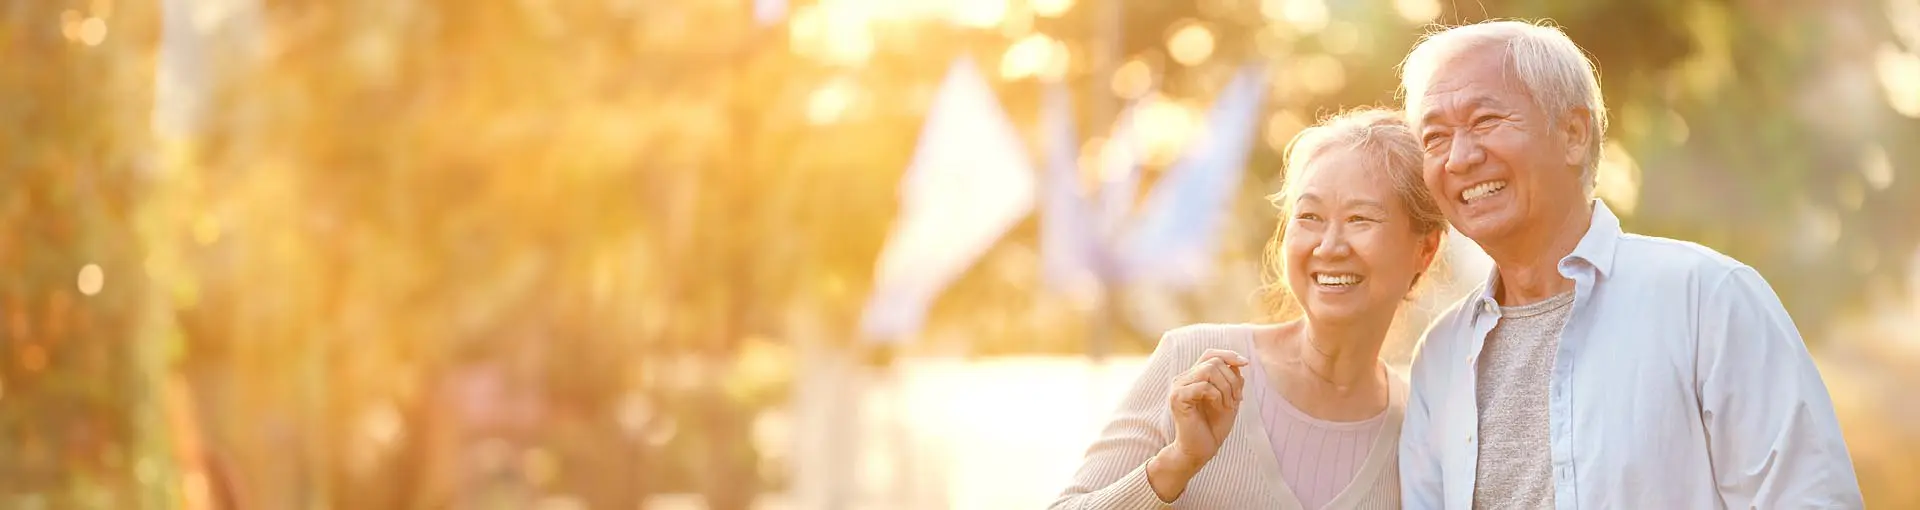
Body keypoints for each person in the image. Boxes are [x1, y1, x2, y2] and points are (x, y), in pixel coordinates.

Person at [1396, 20, 1864, 509]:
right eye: (1434, 138)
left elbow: (1809, 497)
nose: (1459, 157)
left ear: (1573, 134)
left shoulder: (1708, 297)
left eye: (1485, 121)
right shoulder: (1440, 355)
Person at [1051, 108, 1445, 509]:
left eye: (1360, 218)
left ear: (1425, 249)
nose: (1328, 246)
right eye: (1309, 216)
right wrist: (1179, 462)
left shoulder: (1419, 431)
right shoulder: (1192, 363)